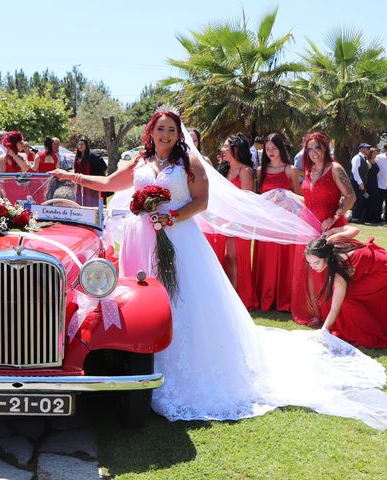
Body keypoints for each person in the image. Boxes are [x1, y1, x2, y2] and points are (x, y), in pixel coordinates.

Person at [50, 109, 387, 429]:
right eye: (160, 128)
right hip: (141, 240)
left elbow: (201, 202)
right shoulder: (141, 159)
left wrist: (172, 217)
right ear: (150, 131)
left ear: (177, 134)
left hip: (177, 237)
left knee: (180, 298)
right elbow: (110, 183)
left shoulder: (189, 161)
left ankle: (180, 372)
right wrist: (72, 175)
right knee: (139, 301)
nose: (165, 134)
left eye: (171, 129)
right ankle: (136, 359)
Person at [291, 132, 356, 325]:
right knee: (309, 269)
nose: (313, 153)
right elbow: (310, 199)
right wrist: (289, 198)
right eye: (309, 149)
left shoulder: (334, 168)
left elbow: (351, 196)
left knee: (328, 270)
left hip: (329, 226)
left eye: (317, 148)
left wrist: (333, 217)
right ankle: (316, 313)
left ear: (325, 148)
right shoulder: (308, 172)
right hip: (307, 225)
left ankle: (330, 313)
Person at [305, 234, 387, 348]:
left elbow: (335, 307)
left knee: (347, 297)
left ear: (326, 257)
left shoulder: (339, 272)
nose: (313, 267)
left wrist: (324, 330)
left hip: (383, 270)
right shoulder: (327, 247)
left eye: (316, 262)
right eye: (309, 263)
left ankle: (368, 332)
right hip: (374, 266)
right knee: (346, 295)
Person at [252, 133, 301, 312]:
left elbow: (299, 198)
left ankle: (284, 300)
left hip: (285, 224)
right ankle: (264, 298)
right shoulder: (260, 171)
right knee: (266, 261)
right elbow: (260, 195)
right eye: (267, 149)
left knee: (283, 262)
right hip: (265, 223)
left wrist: (284, 198)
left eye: (274, 148)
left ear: (281, 148)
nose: (271, 152)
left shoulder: (291, 170)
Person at [213, 133, 258, 310]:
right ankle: (230, 295)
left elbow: (247, 201)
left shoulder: (245, 171)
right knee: (227, 258)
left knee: (237, 258)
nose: (222, 150)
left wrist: (235, 223)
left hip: (240, 221)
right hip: (224, 220)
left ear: (235, 149)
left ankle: (240, 298)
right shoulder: (224, 170)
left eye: (225, 146)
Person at [73, 137, 106, 206]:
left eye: (82, 144)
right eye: (79, 144)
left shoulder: (92, 155)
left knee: (93, 201)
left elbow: (103, 167)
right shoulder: (78, 156)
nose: (80, 146)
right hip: (80, 182)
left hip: (91, 181)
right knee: (81, 200)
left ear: (86, 145)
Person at [350, 142, 371, 222]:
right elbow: (354, 171)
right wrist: (360, 182)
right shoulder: (357, 158)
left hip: (361, 183)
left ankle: (358, 217)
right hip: (356, 183)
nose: (368, 150)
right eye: (367, 148)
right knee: (358, 200)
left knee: (361, 200)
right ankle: (355, 217)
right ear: (361, 149)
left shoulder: (364, 159)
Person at [365, 147, 382, 224]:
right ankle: (368, 218)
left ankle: (375, 218)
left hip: (375, 183)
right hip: (369, 184)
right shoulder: (367, 162)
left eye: (376, 153)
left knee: (375, 201)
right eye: (374, 153)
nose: (375, 154)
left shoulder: (375, 161)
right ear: (370, 153)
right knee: (370, 201)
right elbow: (365, 175)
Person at [376, 144, 387, 222]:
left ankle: (385, 217)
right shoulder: (379, 157)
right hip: (380, 183)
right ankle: (377, 217)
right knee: (379, 202)